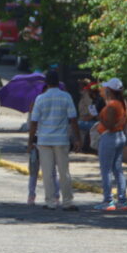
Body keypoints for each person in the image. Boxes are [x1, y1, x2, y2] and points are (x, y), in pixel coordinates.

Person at [28, 70, 82, 211]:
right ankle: (67, 202)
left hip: (44, 140)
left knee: (47, 172)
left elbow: (34, 122)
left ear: (46, 82)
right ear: (58, 82)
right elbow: (73, 119)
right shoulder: (66, 97)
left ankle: (50, 201)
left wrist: (30, 141)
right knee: (64, 172)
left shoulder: (40, 99)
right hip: (61, 140)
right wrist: (77, 138)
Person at [94, 78, 127, 211]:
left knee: (106, 170)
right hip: (120, 136)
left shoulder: (111, 105)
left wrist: (99, 116)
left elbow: (108, 124)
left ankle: (108, 200)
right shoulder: (122, 103)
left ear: (109, 90)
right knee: (117, 169)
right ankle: (122, 200)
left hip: (109, 137)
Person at [27, 84, 60, 206]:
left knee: (52, 172)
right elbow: (31, 126)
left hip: (48, 143)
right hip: (39, 143)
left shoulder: (51, 109)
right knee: (34, 171)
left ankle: (55, 195)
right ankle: (31, 195)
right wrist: (30, 143)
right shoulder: (37, 106)